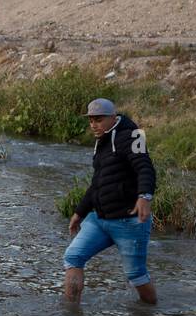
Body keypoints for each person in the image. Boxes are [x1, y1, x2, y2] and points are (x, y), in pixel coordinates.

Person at [64, 97, 158, 305]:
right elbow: (97, 183)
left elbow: (145, 167)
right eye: (90, 121)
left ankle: (152, 313)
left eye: (98, 120)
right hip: (99, 219)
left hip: (129, 221)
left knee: (136, 276)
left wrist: (144, 196)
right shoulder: (102, 142)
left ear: (113, 117)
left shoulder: (134, 135)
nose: (93, 125)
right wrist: (79, 213)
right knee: (73, 257)